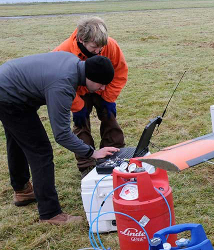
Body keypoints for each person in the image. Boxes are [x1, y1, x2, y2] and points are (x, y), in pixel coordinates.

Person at [0, 52, 119, 224]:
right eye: (101, 84)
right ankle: (50, 214)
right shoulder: (63, 85)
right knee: (41, 151)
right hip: (8, 95)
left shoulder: (73, 63)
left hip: (8, 85)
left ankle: (22, 190)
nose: (102, 89)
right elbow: (62, 134)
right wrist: (92, 153)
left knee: (18, 140)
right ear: (91, 77)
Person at [53, 17, 128, 177]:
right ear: (81, 39)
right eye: (94, 47)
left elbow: (120, 72)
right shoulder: (62, 52)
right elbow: (58, 84)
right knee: (81, 126)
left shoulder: (110, 45)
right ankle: (86, 165)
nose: (99, 51)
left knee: (110, 120)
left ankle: (114, 156)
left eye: (102, 46)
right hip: (77, 92)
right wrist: (77, 106)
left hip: (103, 89)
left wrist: (108, 98)